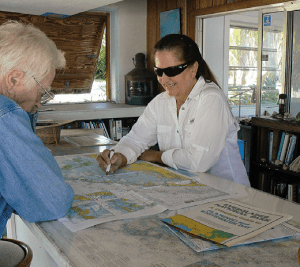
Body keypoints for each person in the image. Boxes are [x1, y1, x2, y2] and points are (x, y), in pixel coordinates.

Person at [97, 34, 250, 187]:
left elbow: (198, 162)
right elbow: (135, 139)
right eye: (158, 71)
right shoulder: (160, 102)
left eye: (171, 70)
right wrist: (118, 156)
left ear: (193, 68)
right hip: (186, 190)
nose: (163, 79)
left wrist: (157, 156)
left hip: (228, 192)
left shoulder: (212, 99)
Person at [0, 21, 74, 237]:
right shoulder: (5, 115)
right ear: (13, 79)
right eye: (42, 91)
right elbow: (52, 201)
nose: (41, 102)